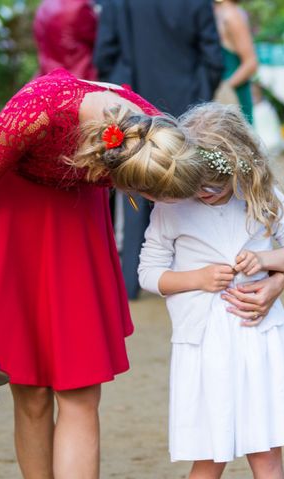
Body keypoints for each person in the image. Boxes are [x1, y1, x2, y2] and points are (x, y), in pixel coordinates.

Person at [0, 67, 208, 479]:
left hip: (74, 223)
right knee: (31, 393)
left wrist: (270, 269)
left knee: (80, 388)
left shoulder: (158, 136)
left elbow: (228, 173)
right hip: (11, 218)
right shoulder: (39, 110)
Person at [138, 103, 284, 479]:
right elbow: (148, 273)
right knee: (209, 458)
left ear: (239, 167)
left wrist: (268, 260)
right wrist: (197, 279)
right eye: (197, 184)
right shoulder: (171, 207)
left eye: (215, 185)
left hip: (258, 338)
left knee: (266, 453)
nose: (204, 193)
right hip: (204, 345)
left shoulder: (259, 193)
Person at [94, 0, 225, 299]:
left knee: (135, 189)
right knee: (187, 186)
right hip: (185, 107)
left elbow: (104, 55)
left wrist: (123, 99)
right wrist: (199, 99)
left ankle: (131, 281)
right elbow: (213, 58)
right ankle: (194, 270)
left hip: (134, 104)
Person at [213, 0, 258, 123]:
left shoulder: (230, 15)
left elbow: (251, 63)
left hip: (233, 96)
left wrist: (224, 88)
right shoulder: (213, 11)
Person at [34, 0, 99, 79]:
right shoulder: (80, 7)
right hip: (77, 76)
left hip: (48, 75)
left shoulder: (44, 7)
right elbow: (97, 38)